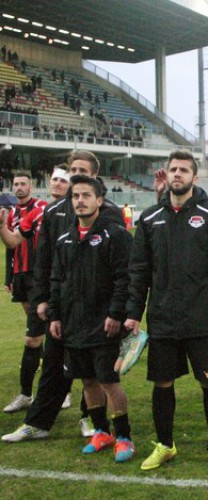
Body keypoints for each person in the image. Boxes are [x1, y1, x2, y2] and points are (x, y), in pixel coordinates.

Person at [125, 150, 208, 471]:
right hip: (161, 320)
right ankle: (165, 444)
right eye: (173, 169)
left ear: (194, 177)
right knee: (162, 385)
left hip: (201, 319)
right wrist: (134, 311)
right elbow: (139, 272)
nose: (177, 174)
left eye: (183, 170)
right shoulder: (148, 219)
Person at [2, 152, 124, 443]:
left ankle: (90, 420)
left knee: (90, 370)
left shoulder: (109, 211)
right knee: (53, 363)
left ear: (94, 176)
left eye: (82, 170)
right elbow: (44, 259)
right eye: (72, 170)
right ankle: (38, 422)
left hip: (95, 307)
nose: (75, 174)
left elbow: (117, 266)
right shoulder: (55, 211)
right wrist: (43, 298)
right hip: (62, 304)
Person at [48, 175, 135, 462]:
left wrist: (116, 313)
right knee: (86, 382)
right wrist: (55, 316)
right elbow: (57, 281)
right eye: (75, 196)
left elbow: (125, 278)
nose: (80, 201)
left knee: (109, 381)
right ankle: (101, 431)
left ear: (99, 200)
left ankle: (124, 437)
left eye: (86, 195)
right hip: (74, 325)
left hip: (104, 324)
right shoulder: (64, 240)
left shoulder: (116, 234)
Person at [0, 172, 48, 414]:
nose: (19, 187)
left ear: (31, 186)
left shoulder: (41, 208)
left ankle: (49, 391)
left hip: (38, 276)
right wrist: (9, 278)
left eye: (23, 184)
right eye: (15, 184)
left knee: (37, 334)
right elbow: (11, 247)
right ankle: (36, 390)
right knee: (38, 331)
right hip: (20, 275)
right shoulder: (10, 214)